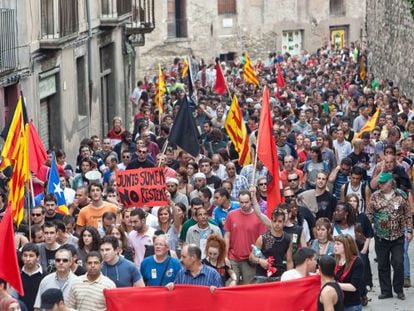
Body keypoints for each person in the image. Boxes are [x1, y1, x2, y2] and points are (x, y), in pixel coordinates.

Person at [366, 171, 412, 300]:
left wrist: (410, 231)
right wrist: (366, 231)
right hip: (381, 236)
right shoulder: (375, 196)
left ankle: (399, 289)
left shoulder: (400, 195)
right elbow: (369, 214)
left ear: (390, 183)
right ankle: (386, 291)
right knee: (382, 264)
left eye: (383, 183)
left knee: (398, 262)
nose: (380, 185)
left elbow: (407, 214)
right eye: (379, 183)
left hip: (398, 236)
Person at [224, 190, 267, 284]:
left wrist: (256, 257)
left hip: (249, 260)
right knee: (232, 284)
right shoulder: (231, 215)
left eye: (246, 202)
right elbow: (227, 236)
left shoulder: (259, 217)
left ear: (251, 201)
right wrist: (225, 256)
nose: (243, 205)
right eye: (241, 202)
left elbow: (262, 239)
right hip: (233, 257)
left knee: (248, 286)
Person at [250, 206, 293, 283]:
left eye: (279, 221)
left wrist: (290, 278)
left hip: (279, 275)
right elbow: (251, 257)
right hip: (262, 276)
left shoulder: (288, 238)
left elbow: (289, 261)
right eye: (274, 221)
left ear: (284, 222)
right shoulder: (263, 238)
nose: (277, 224)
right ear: (271, 221)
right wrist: (260, 261)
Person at [334, 234, 364, 311]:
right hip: (336, 303)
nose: (335, 246)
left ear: (347, 246)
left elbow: (353, 287)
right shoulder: (334, 259)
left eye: (338, 244)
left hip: (351, 305)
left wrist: (334, 284)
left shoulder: (357, 262)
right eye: (335, 243)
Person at [20, 243, 46, 311]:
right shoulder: (18, 276)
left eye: (31, 256)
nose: (28, 259)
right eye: (25, 255)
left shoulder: (46, 276)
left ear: (38, 257)